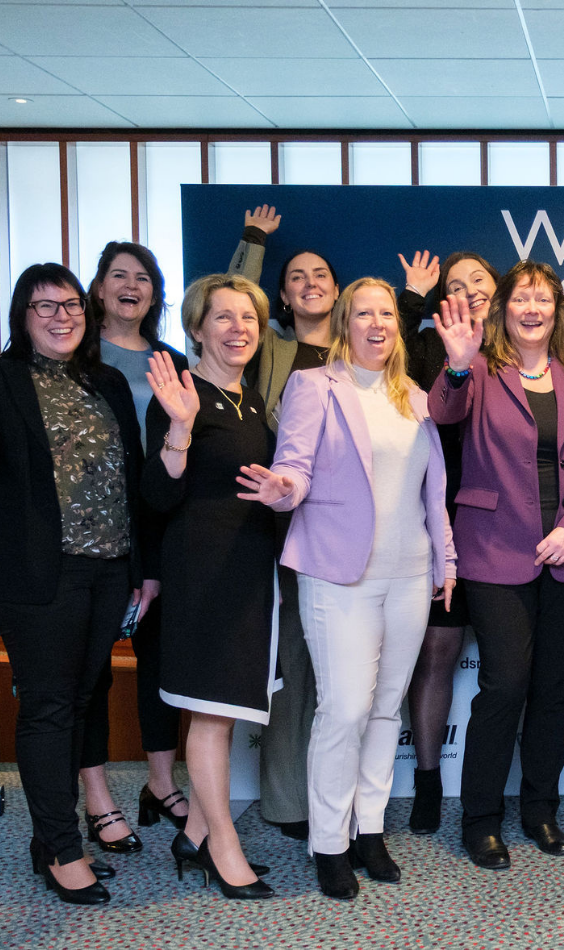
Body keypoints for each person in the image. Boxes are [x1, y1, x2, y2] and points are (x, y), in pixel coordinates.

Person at [239, 278, 456, 899]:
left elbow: (432, 491)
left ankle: (370, 830)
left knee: (386, 708)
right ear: (344, 323)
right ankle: (330, 842)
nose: (378, 323)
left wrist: (446, 559)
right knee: (345, 710)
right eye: (364, 313)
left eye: (387, 313)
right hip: (338, 573)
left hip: (409, 573)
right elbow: (295, 463)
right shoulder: (314, 385)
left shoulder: (417, 397)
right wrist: (283, 488)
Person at [430, 260, 564, 870]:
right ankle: (481, 820)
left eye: (543, 299)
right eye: (521, 299)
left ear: (557, 311)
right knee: (504, 684)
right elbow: (443, 413)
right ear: (503, 310)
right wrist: (457, 365)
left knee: (554, 690)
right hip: (494, 551)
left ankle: (540, 810)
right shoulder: (479, 370)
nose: (532, 309)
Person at [0, 263, 144, 905]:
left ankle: (50, 838)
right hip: (36, 572)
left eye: (71, 304)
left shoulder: (105, 381)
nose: (61, 316)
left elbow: (132, 475)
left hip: (109, 568)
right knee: (49, 706)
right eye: (44, 306)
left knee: (79, 701)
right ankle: (61, 849)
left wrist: (139, 568)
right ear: (22, 316)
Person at [141, 273, 277, 900]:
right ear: (196, 328)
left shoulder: (251, 398)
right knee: (212, 714)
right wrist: (180, 429)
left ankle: (193, 835)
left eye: (248, 318)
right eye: (223, 317)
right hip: (203, 575)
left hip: (251, 574)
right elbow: (157, 494)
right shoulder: (180, 394)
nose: (238, 328)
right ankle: (224, 847)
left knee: (222, 710)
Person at [233, 207, 340, 842]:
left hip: (351, 532)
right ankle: (287, 802)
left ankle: (343, 802)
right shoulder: (271, 348)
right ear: (282, 295)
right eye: (296, 276)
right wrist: (254, 242)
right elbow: (233, 301)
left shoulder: (363, 349)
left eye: (320, 274)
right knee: (294, 667)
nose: (309, 283)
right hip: (286, 525)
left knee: (346, 678)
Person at [80, 241, 190, 855]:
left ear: (155, 292)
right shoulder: (76, 354)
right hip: (93, 533)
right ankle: (96, 795)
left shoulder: (171, 362)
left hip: (161, 526)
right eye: (118, 275)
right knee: (91, 669)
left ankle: (160, 783)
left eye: (143, 277)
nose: (131, 285)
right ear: (98, 288)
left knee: (161, 661)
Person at [398, 250, 500, 836]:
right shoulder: (428, 347)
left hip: (507, 528)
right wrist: (412, 300)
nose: (469, 289)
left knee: (511, 666)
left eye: (478, 279)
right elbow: (388, 375)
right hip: (438, 518)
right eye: (456, 285)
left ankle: (512, 790)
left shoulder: (517, 348)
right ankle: (429, 779)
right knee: (436, 654)